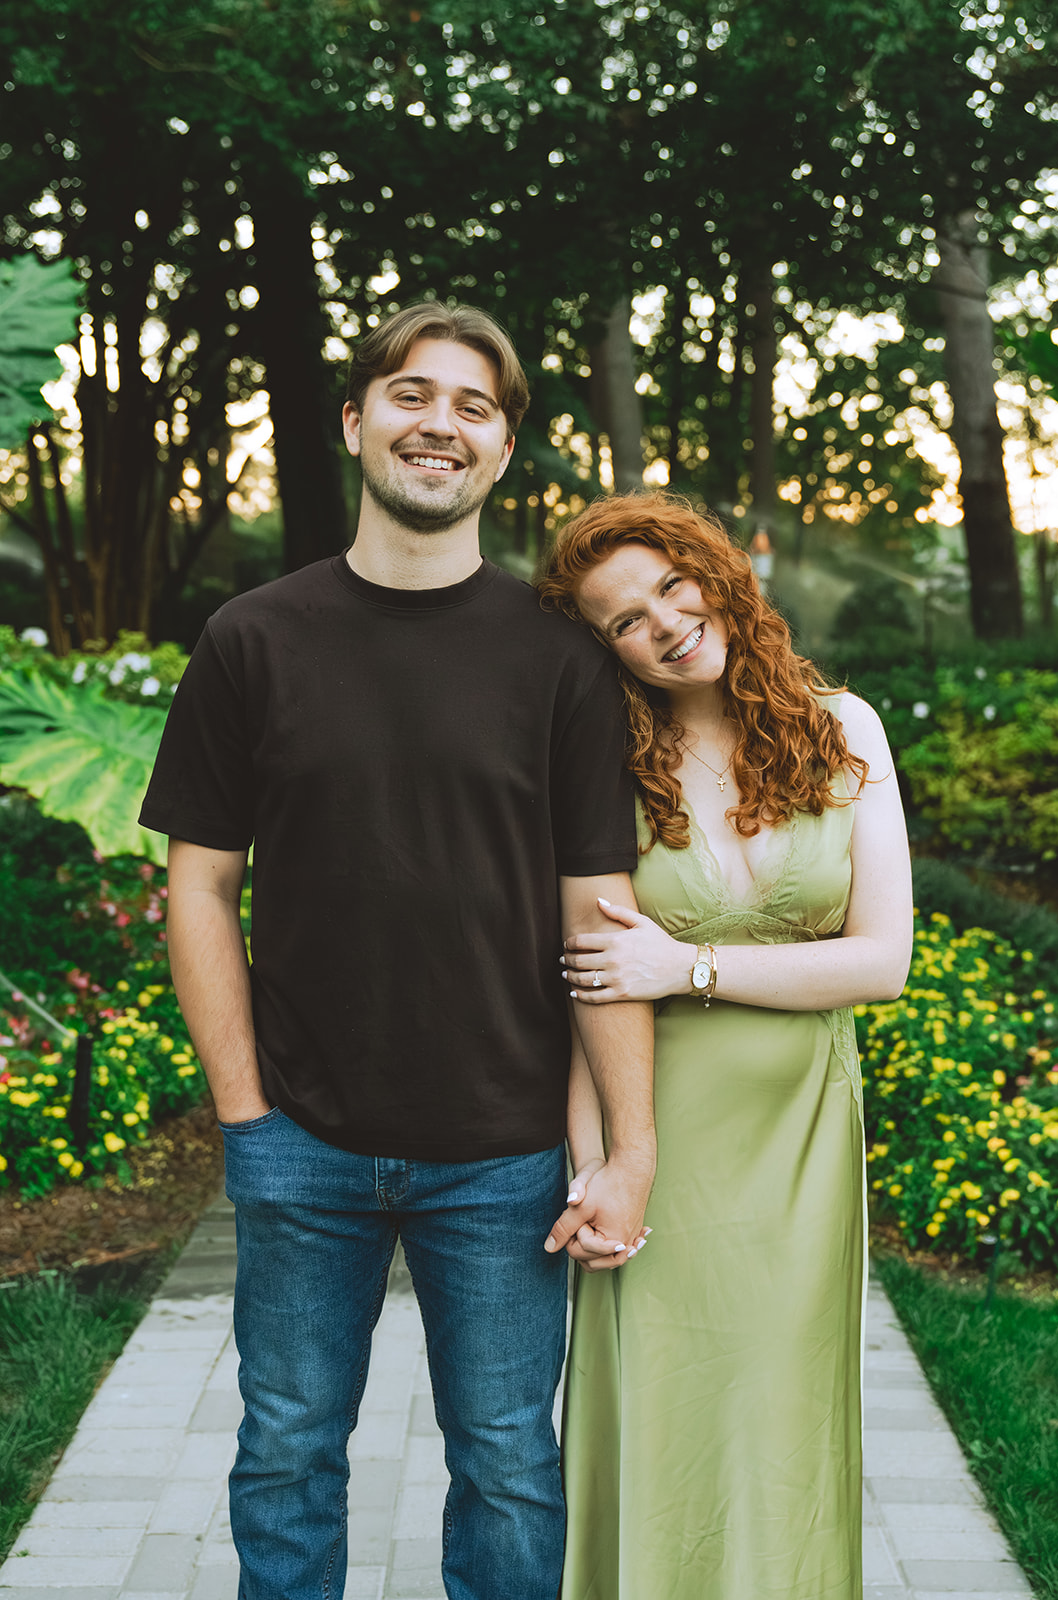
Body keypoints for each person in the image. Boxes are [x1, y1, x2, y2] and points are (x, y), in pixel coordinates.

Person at [139, 301, 656, 1600]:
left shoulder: (558, 662)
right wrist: (244, 1112)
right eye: (412, 395)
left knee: (504, 1464)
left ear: (503, 451)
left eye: (473, 406)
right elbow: (198, 888)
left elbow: (596, 915)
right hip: (299, 1141)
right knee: (287, 1453)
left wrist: (624, 1151)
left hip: (501, 1153)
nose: (440, 423)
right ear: (356, 419)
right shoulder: (251, 640)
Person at [538, 491, 913, 1600]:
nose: (659, 620)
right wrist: (596, 1163)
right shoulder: (603, 754)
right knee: (656, 1411)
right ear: (602, 649)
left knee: (778, 1418)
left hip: (796, 1139)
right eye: (621, 619)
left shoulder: (843, 729)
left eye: (668, 584)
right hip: (657, 1131)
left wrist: (690, 966)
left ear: (713, 572)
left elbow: (878, 961)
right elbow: (586, 984)